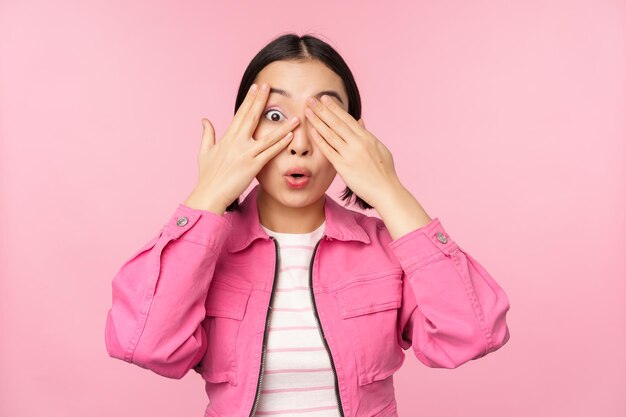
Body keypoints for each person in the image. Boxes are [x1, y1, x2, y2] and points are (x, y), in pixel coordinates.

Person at [104, 33, 511, 417]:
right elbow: (144, 344)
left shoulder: (385, 251)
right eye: (275, 115)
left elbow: (471, 334)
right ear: (243, 131)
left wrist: (390, 191)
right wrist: (208, 195)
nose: (299, 143)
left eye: (324, 117)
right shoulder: (206, 254)